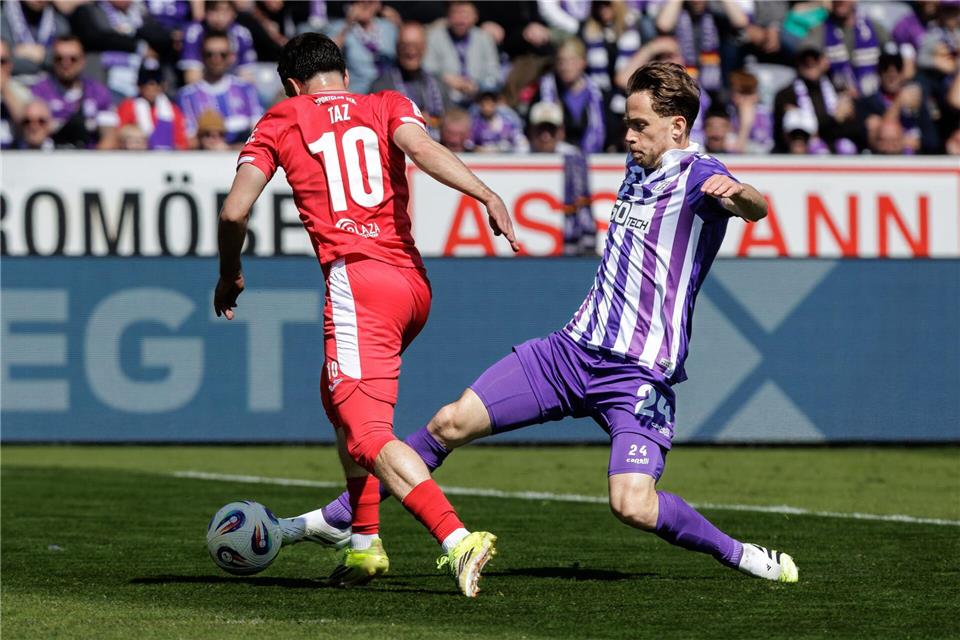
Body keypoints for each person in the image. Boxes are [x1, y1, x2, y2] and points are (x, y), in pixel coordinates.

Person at [286, 61, 800, 586]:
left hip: (637, 374)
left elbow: (755, 205)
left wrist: (739, 197)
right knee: (449, 423)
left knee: (632, 504)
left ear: (678, 128)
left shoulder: (699, 178)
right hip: (569, 354)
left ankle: (738, 553)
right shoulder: (638, 166)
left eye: (640, 125)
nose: (627, 134)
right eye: (627, 121)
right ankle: (340, 519)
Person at [213, 32, 520, 597]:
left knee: (366, 434)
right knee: (337, 399)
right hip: (411, 285)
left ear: (291, 83)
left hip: (357, 279)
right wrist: (486, 195)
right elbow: (424, 153)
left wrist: (229, 271)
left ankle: (458, 540)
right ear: (344, 77)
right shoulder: (386, 103)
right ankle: (363, 542)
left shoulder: (282, 117)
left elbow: (234, 212)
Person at [527, 100, 594, 255]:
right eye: (540, 129)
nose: (545, 136)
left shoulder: (574, 157)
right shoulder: (517, 155)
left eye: (550, 130)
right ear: (530, 130)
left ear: (561, 132)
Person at [30, 35, 119, 149]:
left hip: (88, 159)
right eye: (59, 58)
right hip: (49, 158)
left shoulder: (98, 92)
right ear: (52, 60)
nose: (66, 63)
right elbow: (32, 135)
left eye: (72, 59)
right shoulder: (39, 91)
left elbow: (109, 136)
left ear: (83, 60)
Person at [176, 30, 262, 146]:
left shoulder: (247, 89)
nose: (216, 59)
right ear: (201, 56)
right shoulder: (187, 96)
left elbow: (259, 133)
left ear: (231, 56)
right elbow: (190, 140)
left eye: (222, 54)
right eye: (209, 54)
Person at [370, 21, 450, 140]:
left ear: (425, 47)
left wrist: (433, 121)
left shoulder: (438, 84)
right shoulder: (381, 86)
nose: (411, 51)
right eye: (405, 46)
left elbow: (450, 119)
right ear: (397, 47)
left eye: (416, 45)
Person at [423, 1, 501, 106]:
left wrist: (477, 85)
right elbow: (427, 68)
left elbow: (494, 70)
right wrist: (447, 79)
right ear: (448, 16)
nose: (461, 20)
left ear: (475, 16)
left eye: (466, 14)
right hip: (445, 97)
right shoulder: (434, 37)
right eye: (456, 13)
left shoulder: (484, 38)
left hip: (479, 97)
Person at [322, 0, 397, 95]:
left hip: (388, 90)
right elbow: (326, 55)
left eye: (370, 2)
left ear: (378, 4)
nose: (365, 6)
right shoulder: (339, 27)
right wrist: (347, 24)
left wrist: (399, 23)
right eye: (359, 2)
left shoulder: (389, 27)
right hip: (358, 92)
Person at [117, 60, 190, 150]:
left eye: (156, 82)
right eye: (146, 82)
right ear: (139, 85)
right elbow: (119, 137)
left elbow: (181, 143)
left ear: (162, 85)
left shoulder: (173, 110)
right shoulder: (128, 106)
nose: (151, 87)